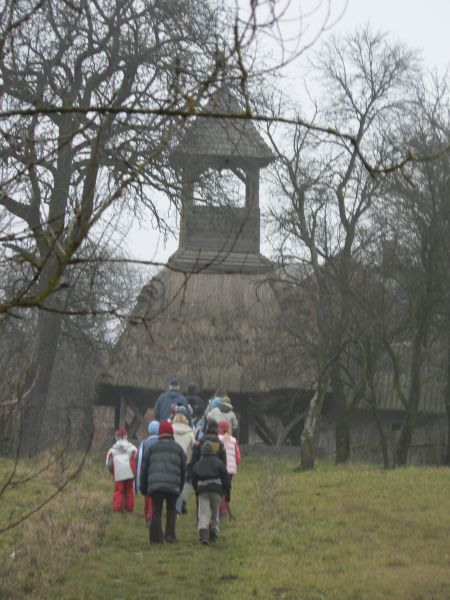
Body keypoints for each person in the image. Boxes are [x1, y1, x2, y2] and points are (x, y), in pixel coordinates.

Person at [140, 420, 186, 544]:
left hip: (155, 486)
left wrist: (144, 488)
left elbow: (144, 469)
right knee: (171, 509)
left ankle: (156, 539)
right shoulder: (179, 449)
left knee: (156, 511)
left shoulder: (152, 448)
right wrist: (180, 487)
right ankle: (170, 536)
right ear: (171, 433)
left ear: (160, 433)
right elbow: (183, 470)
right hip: (173, 485)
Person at [191, 440, 231, 545]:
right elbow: (226, 480)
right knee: (215, 512)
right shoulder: (219, 463)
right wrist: (227, 495)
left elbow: (193, 479)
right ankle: (214, 531)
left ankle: (204, 534)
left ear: (202, 452)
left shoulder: (198, 464)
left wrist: (196, 490)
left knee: (203, 513)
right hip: (216, 491)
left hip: (203, 491)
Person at [106, 427, 137, 513]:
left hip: (118, 471)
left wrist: (113, 473)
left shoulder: (112, 450)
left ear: (117, 437)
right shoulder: (132, 448)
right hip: (130, 471)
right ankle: (129, 509)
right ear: (126, 436)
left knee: (118, 491)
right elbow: (136, 457)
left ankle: (117, 509)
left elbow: (108, 464)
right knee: (129, 490)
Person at [135, 420, 160, 525]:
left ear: (149, 431)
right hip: (159, 473)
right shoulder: (162, 442)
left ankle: (148, 517)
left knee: (147, 496)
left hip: (148, 473)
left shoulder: (144, 443)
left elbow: (138, 459)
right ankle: (154, 516)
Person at [172, 407, 195, 515]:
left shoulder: (170, 429)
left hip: (171, 460)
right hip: (185, 461)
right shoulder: (191, 432)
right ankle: (179, 506)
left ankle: (171, 506)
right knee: (184, 483)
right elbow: (194, 447)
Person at [218, 420, 241, 517]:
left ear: (219, 428)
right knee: (227, 488)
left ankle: (221, 509)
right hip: (231, 469)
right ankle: (225, 507)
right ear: (228, 429)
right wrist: (236, 465)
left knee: (220, 489)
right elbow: (238, 456)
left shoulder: (217, 439)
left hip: (220, 468)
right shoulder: (233, 440)